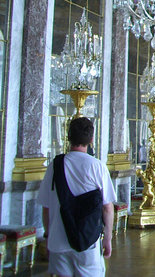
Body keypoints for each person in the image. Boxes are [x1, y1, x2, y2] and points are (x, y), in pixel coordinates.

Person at [38, 117, 115, 277]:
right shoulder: (97, 166)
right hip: (87, 240)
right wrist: (107, 238)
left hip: (58, 239)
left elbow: (46, 208)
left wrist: (48, 236)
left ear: (68, 137)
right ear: (91, 139)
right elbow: (107, 208)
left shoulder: (55, 165)